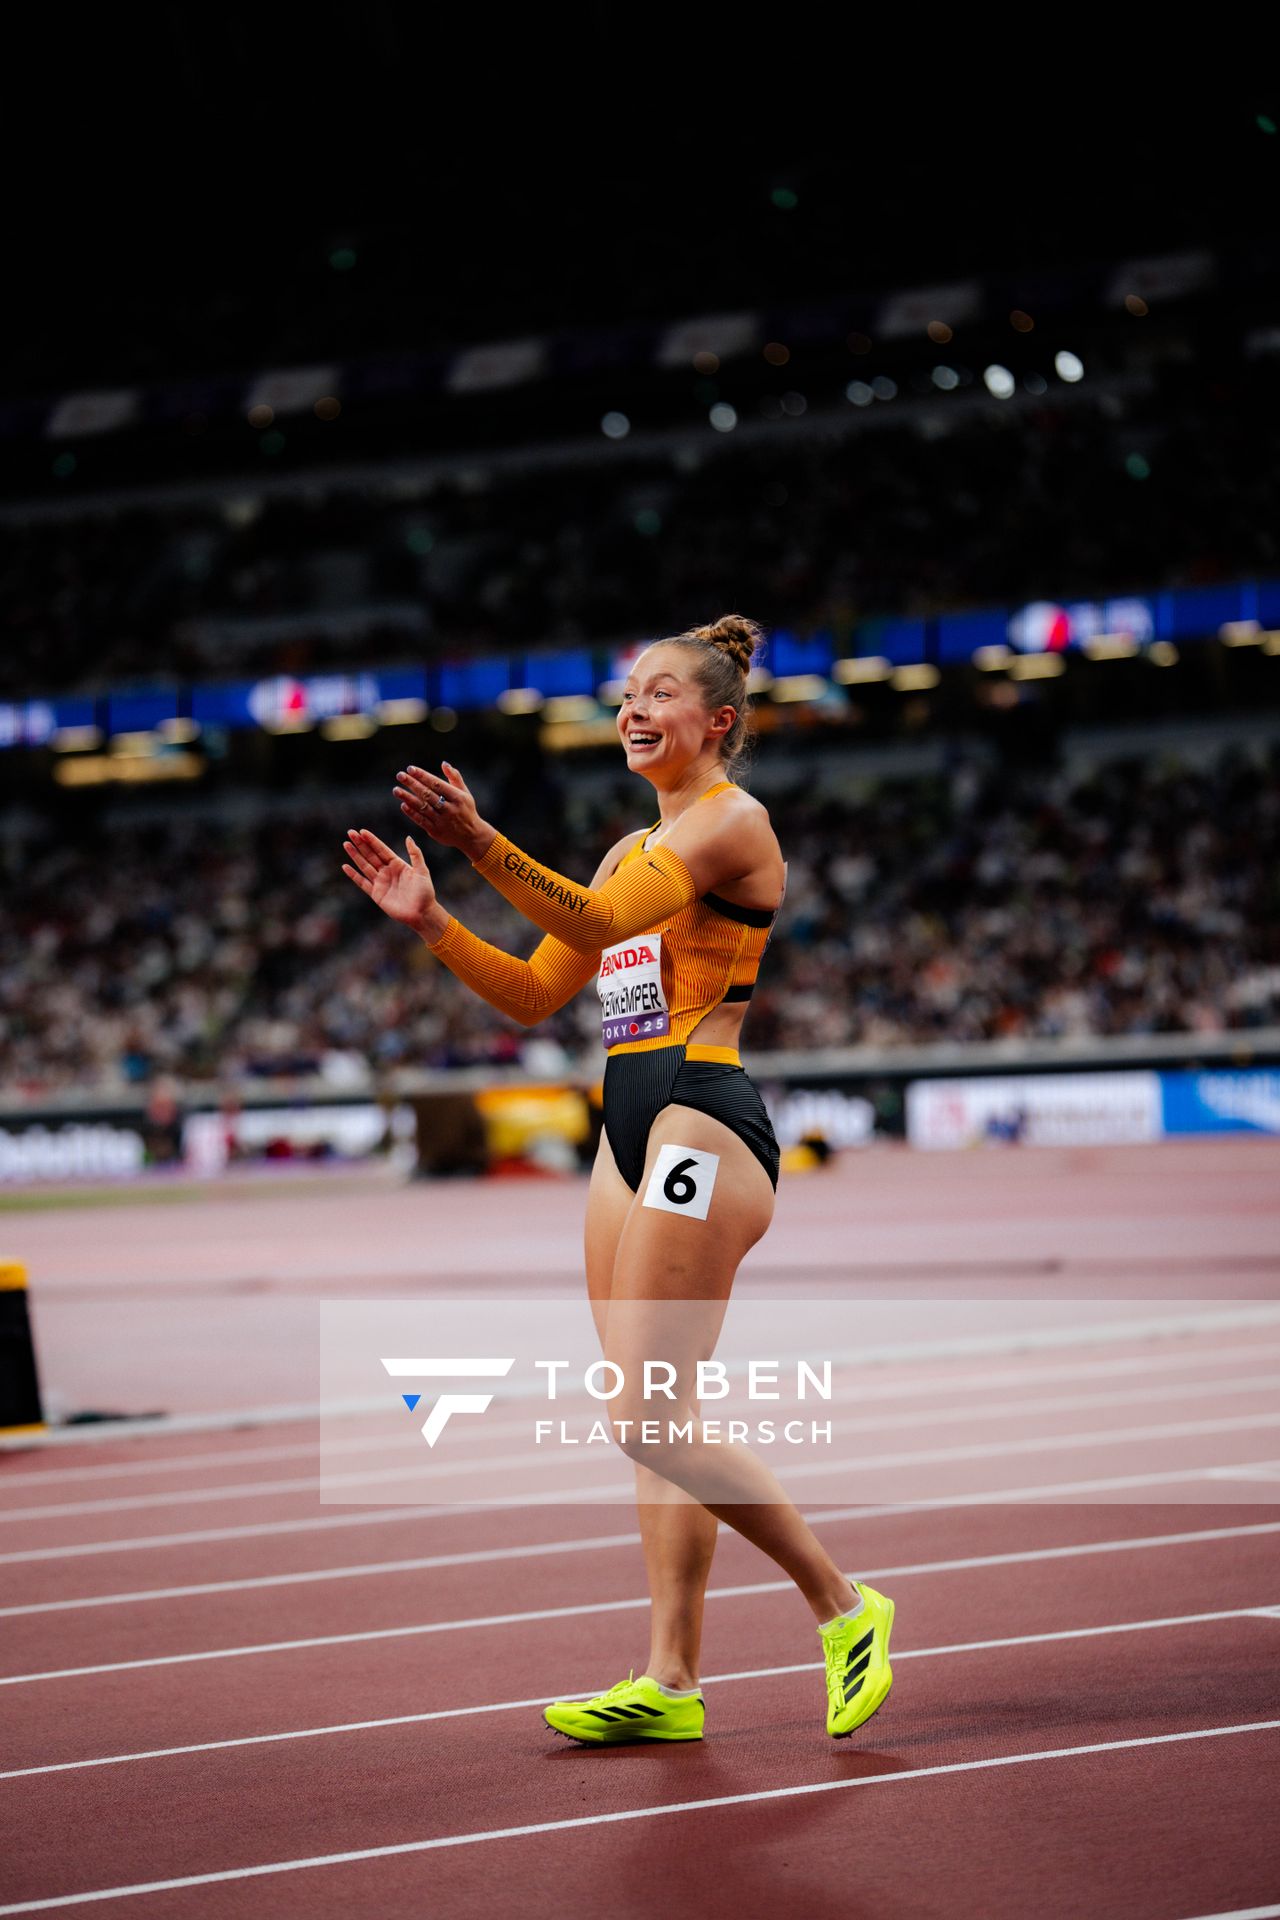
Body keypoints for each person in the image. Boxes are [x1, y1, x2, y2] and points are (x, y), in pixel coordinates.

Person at [341, 615, 894, 1744]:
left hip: (701, 1120)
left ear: (719, 721)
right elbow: (542, 992)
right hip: (625, 1126)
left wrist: (482, 844)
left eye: (659, 695)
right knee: (657, 1417)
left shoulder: (733, 825)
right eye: (624, 695)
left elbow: (593, 923)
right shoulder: (619, 849)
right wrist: (438, 922)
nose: (633, 711)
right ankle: (670, 1683)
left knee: (642, 1414)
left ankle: (845, 1606)